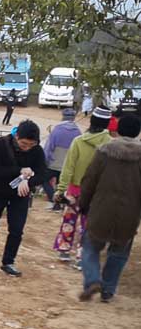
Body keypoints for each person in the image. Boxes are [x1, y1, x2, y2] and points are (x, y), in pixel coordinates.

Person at [78, 114, 141, 302]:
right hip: (129, 216)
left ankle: (92, 281)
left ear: (117, 130)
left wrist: (83, 204)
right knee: (119, 253)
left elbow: (89, 181)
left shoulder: (104, 152)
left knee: (90, 246)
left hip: (100, 211)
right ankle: (107, 291)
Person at [0, 120, 46, 276]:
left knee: (16, 229)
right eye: (23, 144)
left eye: (31, 145)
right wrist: (20, 171)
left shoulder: (37, 151)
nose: (27, 148)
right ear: (17, 136)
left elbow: (42, 173)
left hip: (20, 195)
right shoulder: (1, 144)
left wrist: (28, 182)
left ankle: (8, 262)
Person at [53, 107, 112, 266]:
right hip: (96, 192)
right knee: (88, 225)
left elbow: (68, 167)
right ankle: (82, 258)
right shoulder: (110, 144)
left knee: (69, 221)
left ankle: (64, 251)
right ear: (107, 123)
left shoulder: (79, 141)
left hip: (74, 190)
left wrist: (61, 189)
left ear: (91, 121)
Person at [42, 108, 82, 208]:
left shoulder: (56, 130)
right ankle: (59, 204)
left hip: (53, 163)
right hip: (67, 166)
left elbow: (48, 148)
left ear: (63, 117)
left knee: (44, 179)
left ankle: (54, 200)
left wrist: (45, 161)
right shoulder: (78, 132)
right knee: (62, 185)